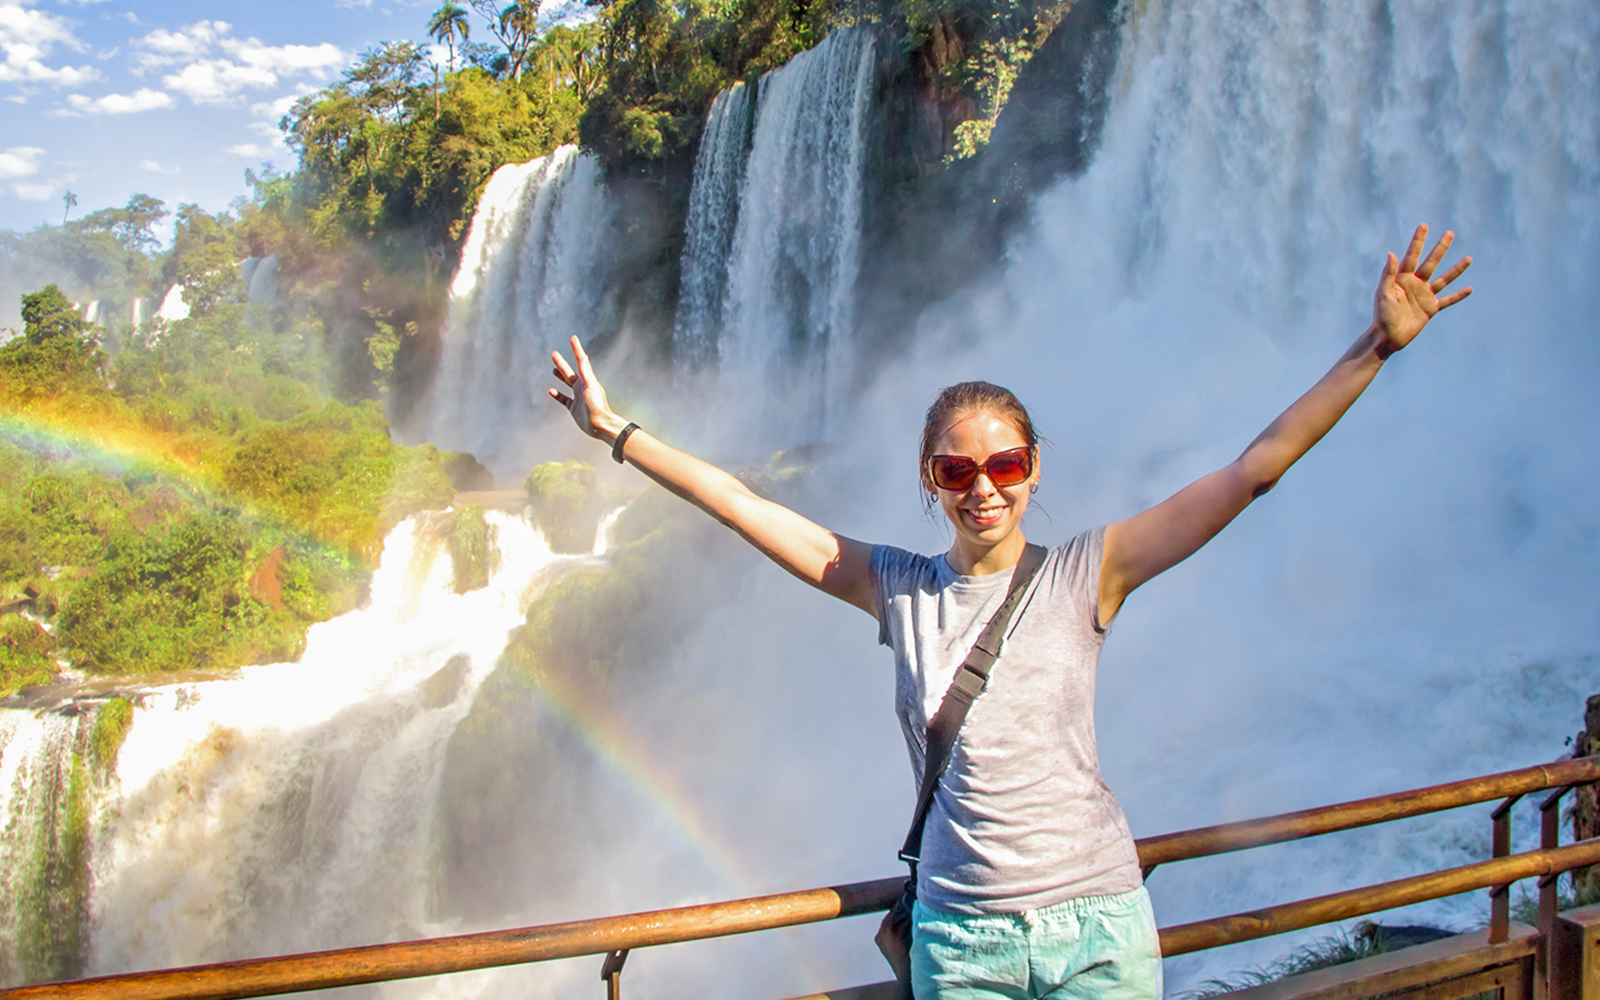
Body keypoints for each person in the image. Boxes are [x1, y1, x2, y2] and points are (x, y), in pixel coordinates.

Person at [548, 224, 1473, 999]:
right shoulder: (894, 585)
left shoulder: (1089, 573)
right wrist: (617, 432)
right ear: (931, 481)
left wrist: (1376, 348)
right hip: (962, 944)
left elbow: (1253, 470)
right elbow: (744, 506)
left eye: (1005, 466)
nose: (983, 487)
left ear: (1034, 469)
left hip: (1100, 929)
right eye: (958, 470)